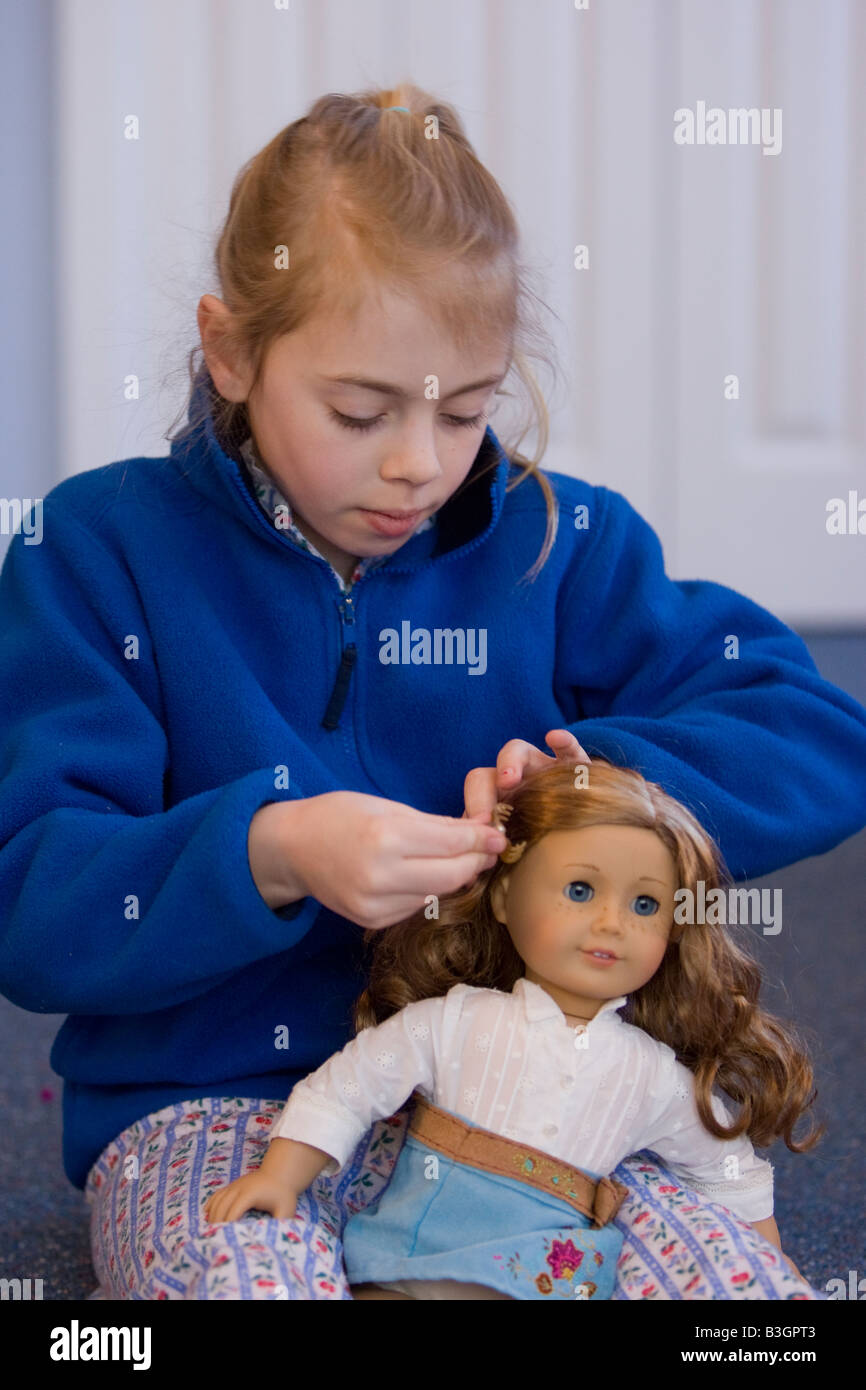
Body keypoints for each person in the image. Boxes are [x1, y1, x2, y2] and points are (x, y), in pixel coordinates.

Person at [0, 83, 864, 1301]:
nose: (417, 461)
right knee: (242, 1279)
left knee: (740, 1300)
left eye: (465, 409)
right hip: (219, 1106)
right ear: (231, 350)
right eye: (360, 411)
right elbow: (33, 897)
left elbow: (817, 731)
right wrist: (267, 853)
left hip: (543, 1103)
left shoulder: (558, 545)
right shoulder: (95, 552)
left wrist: (590, 789)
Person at [204, 760, 824, 1300]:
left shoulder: (652, 1076)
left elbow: (725, 1167)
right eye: (580, 890)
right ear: (503, 899)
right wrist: (279, 1177)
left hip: (544, 1280)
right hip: (408, 1261)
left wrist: (768, 1259)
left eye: (645, 905)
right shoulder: (454, 1021)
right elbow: (349, 1087)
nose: (612, 923)